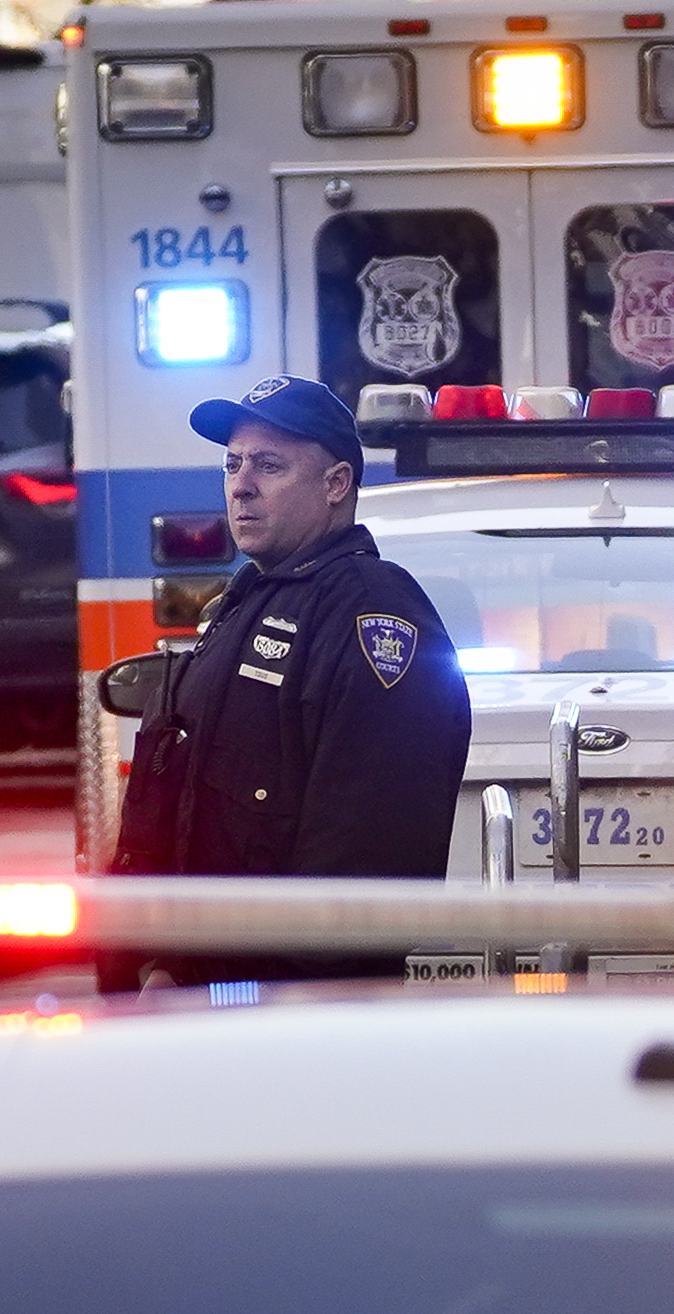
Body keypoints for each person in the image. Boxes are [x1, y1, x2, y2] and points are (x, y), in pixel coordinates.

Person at [111, 376, 473, 963]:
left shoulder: (368, 610)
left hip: (284, 1006)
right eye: (232, 465)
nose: (242, 487)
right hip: (204, 981)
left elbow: (364, 856)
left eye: (269, 466)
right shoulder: (248, 601)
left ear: (336, 484)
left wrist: (290, 1004)